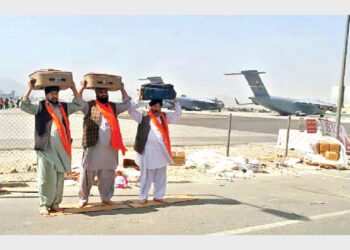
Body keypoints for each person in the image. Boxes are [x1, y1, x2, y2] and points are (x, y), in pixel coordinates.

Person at [20, 80, 83, 215]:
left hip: (62, 149)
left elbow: (79, 104)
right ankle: (44, 204)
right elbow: (24, 106)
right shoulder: (40, 106)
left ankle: (55, 204)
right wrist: (29, 89)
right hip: (46, 148)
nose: (54, 96)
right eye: (52, 94)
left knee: (59, 179)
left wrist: (73, 88)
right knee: (46, 178)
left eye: (56, 93)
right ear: (46, 95)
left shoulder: (64, 107)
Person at [77, 81, 131, 208]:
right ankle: (83, 198)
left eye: (105, 92)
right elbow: (77, 101)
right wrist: (83, 87)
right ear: (96, 94)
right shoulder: (89, 106)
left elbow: (127, 104)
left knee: (108, 173)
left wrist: (122, 89)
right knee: (87, 173)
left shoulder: (113, 107)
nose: (103, 94)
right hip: (93, 146)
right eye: (101, 92)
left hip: (110, 147)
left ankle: (106, 197)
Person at [128, 90, 182, 204]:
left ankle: (158, 195)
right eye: (154, 105)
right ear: (150, 106)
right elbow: (131, 110)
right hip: (147, 151)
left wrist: (175, 100)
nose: (156, 108)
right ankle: (143, 196)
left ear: (161, 107)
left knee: (161, 175)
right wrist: (138, 98)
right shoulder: (143, 116)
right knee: (146, 176)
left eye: (158, 106)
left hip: (161, 152)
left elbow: (178, 114)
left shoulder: (165, 117)